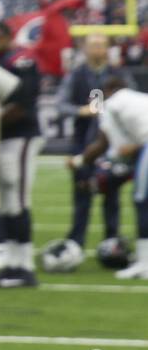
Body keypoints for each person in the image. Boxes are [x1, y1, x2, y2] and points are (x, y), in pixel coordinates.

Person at [72, 76, 148, 279]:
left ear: (108, 90)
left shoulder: (111, 104)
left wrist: (79, 161)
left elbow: (106, 146)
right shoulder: (139, 99)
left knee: (142, 201)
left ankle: (144, 263)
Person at [0, 21, 41, 286]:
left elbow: (23, 104)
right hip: (4, 136)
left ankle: (25, 266)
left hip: (21, 135)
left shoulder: (21, 61)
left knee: (17, 199)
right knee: (7, 203)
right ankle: (11, 264)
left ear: (8, 38)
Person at [55, 33, 117, 255]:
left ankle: (113, 242)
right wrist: (82, 110)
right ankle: (76, 243)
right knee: (82, 193)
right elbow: (60, 104)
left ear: (107, 49)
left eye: (101, 45)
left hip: (111, 143)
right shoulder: (76, 75)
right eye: (93, 45)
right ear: (85, 49)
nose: (97, 49)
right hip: (82, 142)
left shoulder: (116, 74)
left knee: (111, 193)